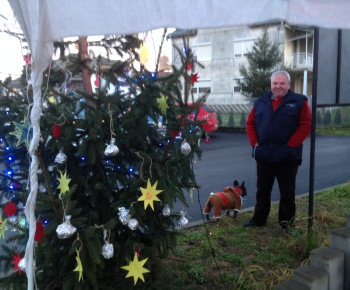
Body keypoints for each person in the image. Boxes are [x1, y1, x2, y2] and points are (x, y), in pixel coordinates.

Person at [244, 71, 311, 233]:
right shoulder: (261, 102)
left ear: (288, 85)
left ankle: (286, 224)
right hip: (264, 154)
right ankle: (259, 219)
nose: (278, 86)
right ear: (271, 85)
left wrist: (291, 145)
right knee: (263, 190)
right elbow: (250, 123)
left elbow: (306, 124)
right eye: (275, 83)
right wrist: (255, 143)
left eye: (282, 83)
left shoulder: (299, 102)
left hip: (287, 156)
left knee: (287, 192)